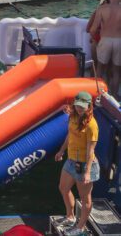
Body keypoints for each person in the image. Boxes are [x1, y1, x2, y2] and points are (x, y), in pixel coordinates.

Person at [55, 91, 99, 235]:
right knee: (63, 188)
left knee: (85, 197)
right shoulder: (73, 116)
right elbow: (70, 135)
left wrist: (87, 172)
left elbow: (90, 150)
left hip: (85, 163)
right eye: (77, 106)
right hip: (71, 160)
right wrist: (61, 151)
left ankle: (80, 227)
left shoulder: (92, 125)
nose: (80, 109)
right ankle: (70, 216)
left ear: (89, 106)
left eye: (82, 107)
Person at [89, 0, 121, 93]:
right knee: (116, 70)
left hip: (105, 40)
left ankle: (98, 94)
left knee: (100, 68)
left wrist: (95, 40)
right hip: (119, 41)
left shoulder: (102, 9)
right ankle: (114, 96)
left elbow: (93, 29)